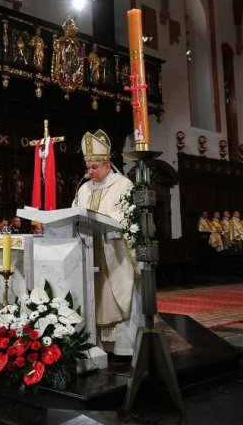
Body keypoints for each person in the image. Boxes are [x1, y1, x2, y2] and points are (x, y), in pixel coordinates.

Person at [73, 129, 140, 357]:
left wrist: (108, 221)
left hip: (114, 253)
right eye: (88, 167)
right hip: (90, 253)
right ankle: (98, 345)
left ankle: (122, 347)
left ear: (107, 164)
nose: (90, 171)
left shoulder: (123, 185)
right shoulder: (83, 189)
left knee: (117, 294)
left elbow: (129, 219)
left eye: (95, 167)